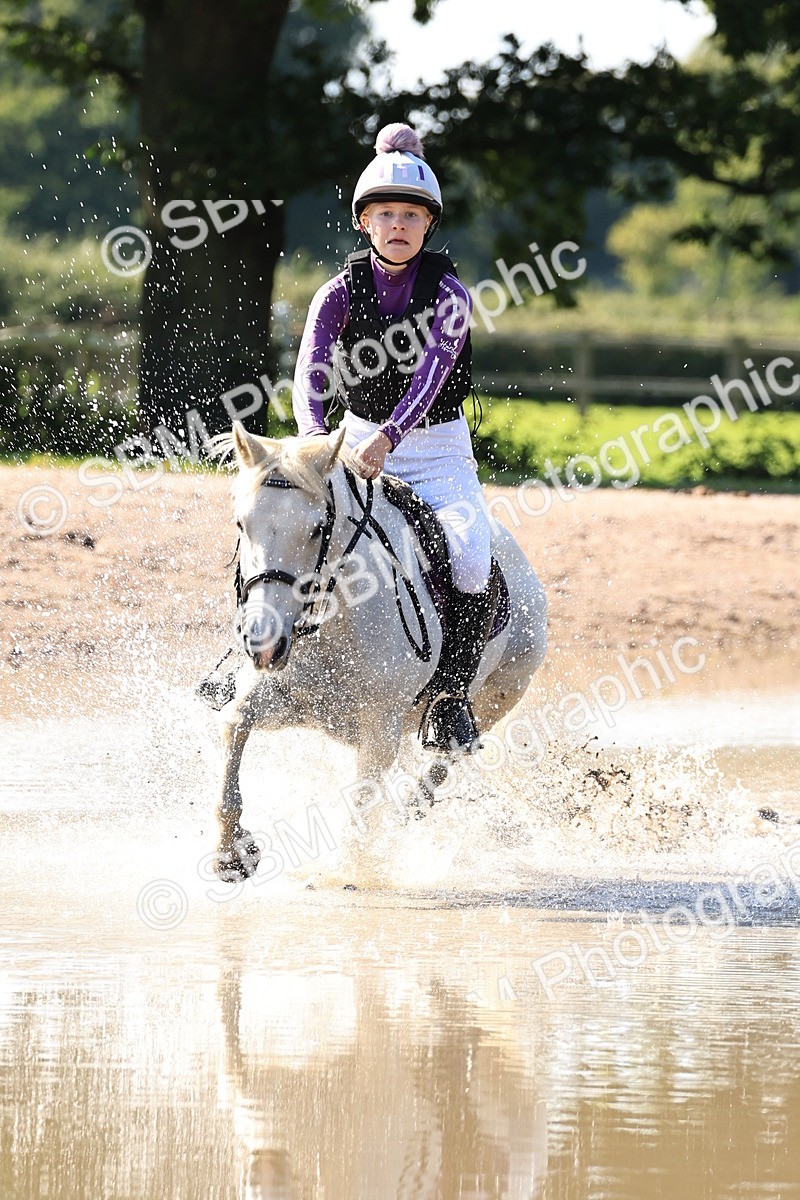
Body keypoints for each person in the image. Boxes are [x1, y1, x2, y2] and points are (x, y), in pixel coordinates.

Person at [292, 121, 498, 753]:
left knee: (468, 561)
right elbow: (310, 371)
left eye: (411, 213)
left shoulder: (451, 295)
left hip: (436, 452)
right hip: (350, 444)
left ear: (428, 224)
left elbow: (433, 376)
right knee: (289, 528)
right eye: (385, 213)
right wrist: (311, 439)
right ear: (365, 222)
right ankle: (244, 657)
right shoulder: (335, 293)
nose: (398, 224)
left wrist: (392, 434)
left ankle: (449, 698)